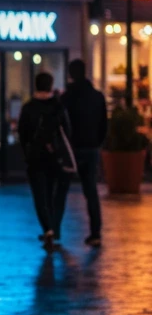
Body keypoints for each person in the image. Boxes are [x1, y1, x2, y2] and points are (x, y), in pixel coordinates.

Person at [18, 71, 70, 249]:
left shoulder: (29, 107)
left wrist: (27, 152)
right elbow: (67, 132)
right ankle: (54, 227)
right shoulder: (58, 107)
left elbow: (22, 134)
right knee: (53, 193)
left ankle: (47, 228)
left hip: (35, 158)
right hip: (55, 158)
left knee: (39, 195)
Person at [62, 58, 107, 247]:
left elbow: (61, 126)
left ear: (71, 74)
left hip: (71, 150)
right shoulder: (97, 96)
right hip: (91, 148)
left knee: (61, 191)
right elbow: (104, 124)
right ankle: (95, 232)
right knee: (91, 192)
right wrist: (97, 142)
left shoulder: (66, 98)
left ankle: (54, 231)